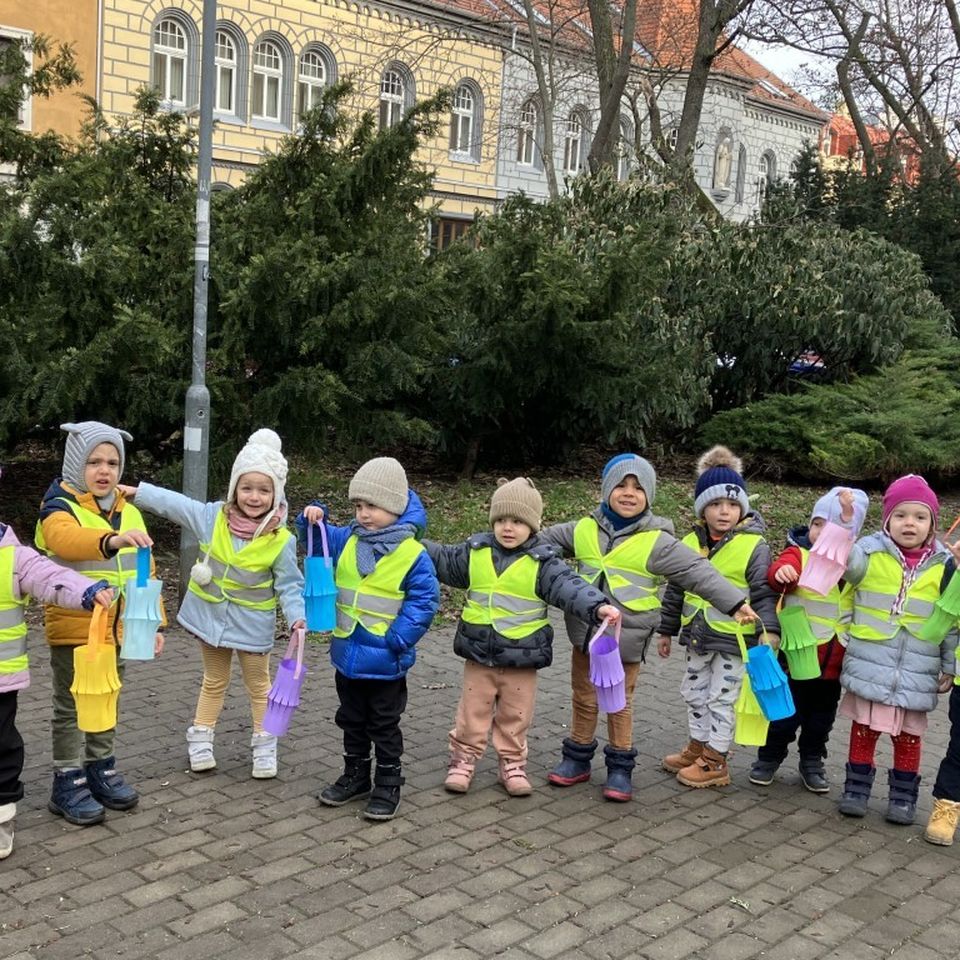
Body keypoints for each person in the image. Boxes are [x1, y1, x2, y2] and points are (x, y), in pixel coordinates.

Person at [539, 454, 758, 801]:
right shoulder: (582, 529)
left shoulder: (657, 540)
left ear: (649, 496)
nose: (629, 493)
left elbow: (698, 573)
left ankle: (620, 767)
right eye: (621, 485)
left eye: (638, 488)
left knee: (619, 703)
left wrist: (734, 603)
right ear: (606, 490)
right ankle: (577, 758)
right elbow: (534, 544)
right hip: (585, 636)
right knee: (583, 698)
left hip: (626, 640)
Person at [122, 429, 304, 780]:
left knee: (259, 686)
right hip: (211, 619)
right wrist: (138, 493)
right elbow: (177, 505)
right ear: (234, 488)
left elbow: (290, 585)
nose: (254, 497)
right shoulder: (213, 518)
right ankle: (201, 739)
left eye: (264, 490)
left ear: (276, 494)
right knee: (214, 679)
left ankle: (265, 744)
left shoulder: (281, 540)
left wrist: (297, 617)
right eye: (246, 487)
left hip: (252, 624)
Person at [425, 477, 621, 797]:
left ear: (533, 525)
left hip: (522, 658)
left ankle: (512, 764)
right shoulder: (475, 552)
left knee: (515, 716)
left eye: (517, 521)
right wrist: (409, 543)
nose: (508, 527)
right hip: (479, 655)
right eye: (501, 519)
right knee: (471, 713)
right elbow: (441, 558)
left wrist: (598, 606)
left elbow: (569, 588)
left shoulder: (543, 562)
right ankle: (463, 761)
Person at [298, 457, 438, 821]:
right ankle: (356, 775)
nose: (363, 514)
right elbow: (316, 541)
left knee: (383, 724)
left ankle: (388, 782)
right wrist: (312, 518)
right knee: (351, 719)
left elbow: (424, 601)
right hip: (347, 652)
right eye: (358, 505)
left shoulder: (413, 553)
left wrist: (398, 639)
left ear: (395, 507)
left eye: (372, 506)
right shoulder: (348, 538)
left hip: (386, 659)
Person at [36, 422, 162, 825]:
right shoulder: (58, 507)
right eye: (93, 462)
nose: (104, 470)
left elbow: (146, 570)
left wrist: (154, 624)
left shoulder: (130, 512)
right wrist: (111, 540)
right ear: (77, 464)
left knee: (107, 696)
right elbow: (65, 541)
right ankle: (66, 778)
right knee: (70, 706)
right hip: (73, 627)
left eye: (112, 462)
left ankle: (100, 767)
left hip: (116, 629)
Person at [836, 475, 957, 825]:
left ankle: (903, 796)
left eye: (920, 517)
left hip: (918, 669)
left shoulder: (945, 565)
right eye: (900, 515)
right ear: (887, 520)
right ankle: (856, 789)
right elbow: (845, 564)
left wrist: (949, 665)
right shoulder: (869, 552)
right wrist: (845, 525)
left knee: (909, 737)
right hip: (871, 663)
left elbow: (949, 619)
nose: (909, 523)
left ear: (932, 524)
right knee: (864, 728)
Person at [657, 446, 779, 788]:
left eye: (732, 504)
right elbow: (675, 590)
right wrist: (666, 630)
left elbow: (763, 592)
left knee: (721, 698)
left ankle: (715, 760)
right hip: (697, 635)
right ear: (702, 508)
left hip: (733, 639)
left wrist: (768, 631)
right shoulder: (687, 542)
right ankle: (698, 746)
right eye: (715, 504)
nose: (724, 512)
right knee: (693, 691)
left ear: (743, 508)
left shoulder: (754, 546)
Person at [0, 489, 113, 858]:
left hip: (1, 679)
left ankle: (2, 814)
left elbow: (50, 576)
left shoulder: (12, 555)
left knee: (2, 746)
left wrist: (86, 590)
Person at [751, 486, 868, 792]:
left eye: (832, 528)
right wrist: (783, 573)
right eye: (817, 524)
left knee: (820, 721)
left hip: (833, 665)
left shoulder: (855, 567)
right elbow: (776, 574)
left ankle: (812, 761)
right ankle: (769, 757)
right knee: (784, 715)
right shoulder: (799, 553)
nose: (820, 532)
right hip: (797, 659)